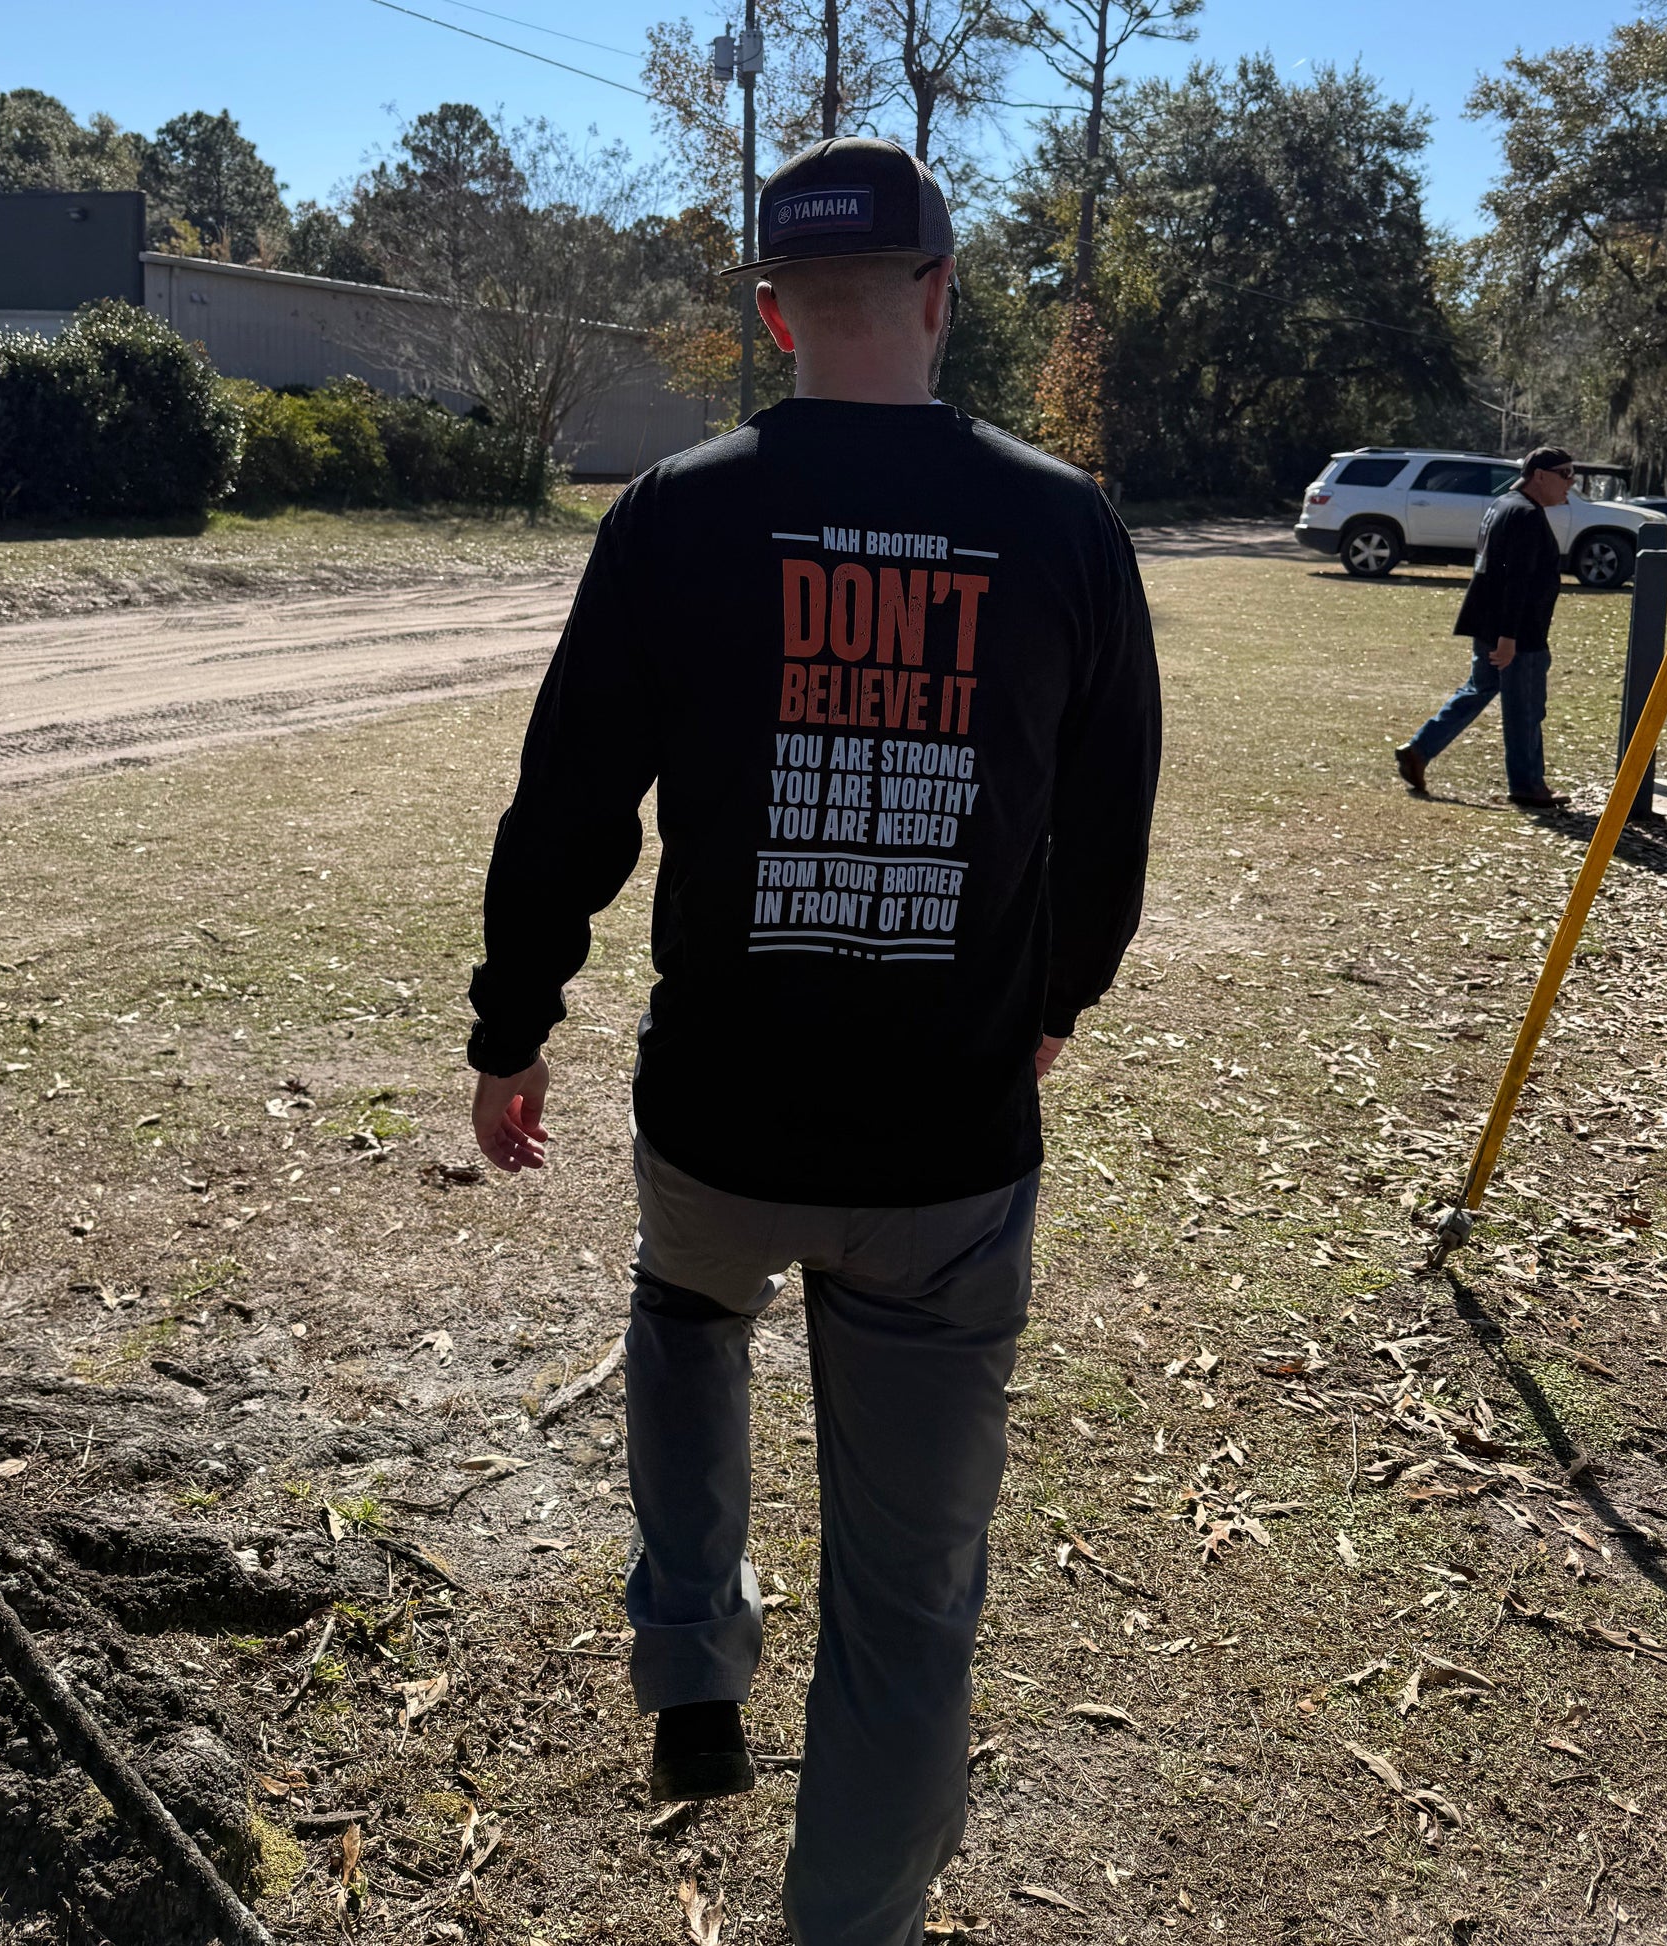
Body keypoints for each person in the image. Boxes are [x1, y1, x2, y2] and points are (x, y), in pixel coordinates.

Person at [465, 136, 1160, 1946]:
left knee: (687, 1310)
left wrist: (512, 1025)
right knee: (912, 1601)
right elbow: (1111, 826)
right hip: (944, 1157)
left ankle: (693, 1645)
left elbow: (566, 808)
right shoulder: (1064, 524)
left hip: (719, 1127)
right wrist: (1051, 1006)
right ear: (940, 293)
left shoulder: (677, 512)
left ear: (773, 311)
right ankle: (847, 1920)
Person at [1395, 445, 1577, 808]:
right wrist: (1508, 638)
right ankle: (1527, 785)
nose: (1571, 483)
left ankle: (1419, 749)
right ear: (1540, 476)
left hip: (1492, 625)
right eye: (1565, 474)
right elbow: (1515, 582)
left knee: (1479, 690)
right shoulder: (1523, 514)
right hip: (1517, 634)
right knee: (1525, 708)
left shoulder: (1502, 505)